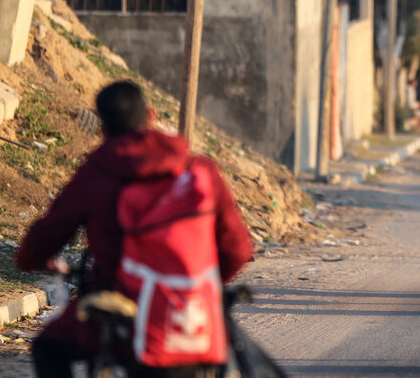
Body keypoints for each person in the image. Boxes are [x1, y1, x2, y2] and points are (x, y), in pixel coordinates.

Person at [16, 80, 253, 378]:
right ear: (151, 116)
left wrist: (31, 260)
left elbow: (43, 239)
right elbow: (239, 250)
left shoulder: (96, 175)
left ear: (103, 129)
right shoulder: (200, 171)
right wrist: (192, 288)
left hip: (120, 319)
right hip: (192, 322)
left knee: (47, 347)